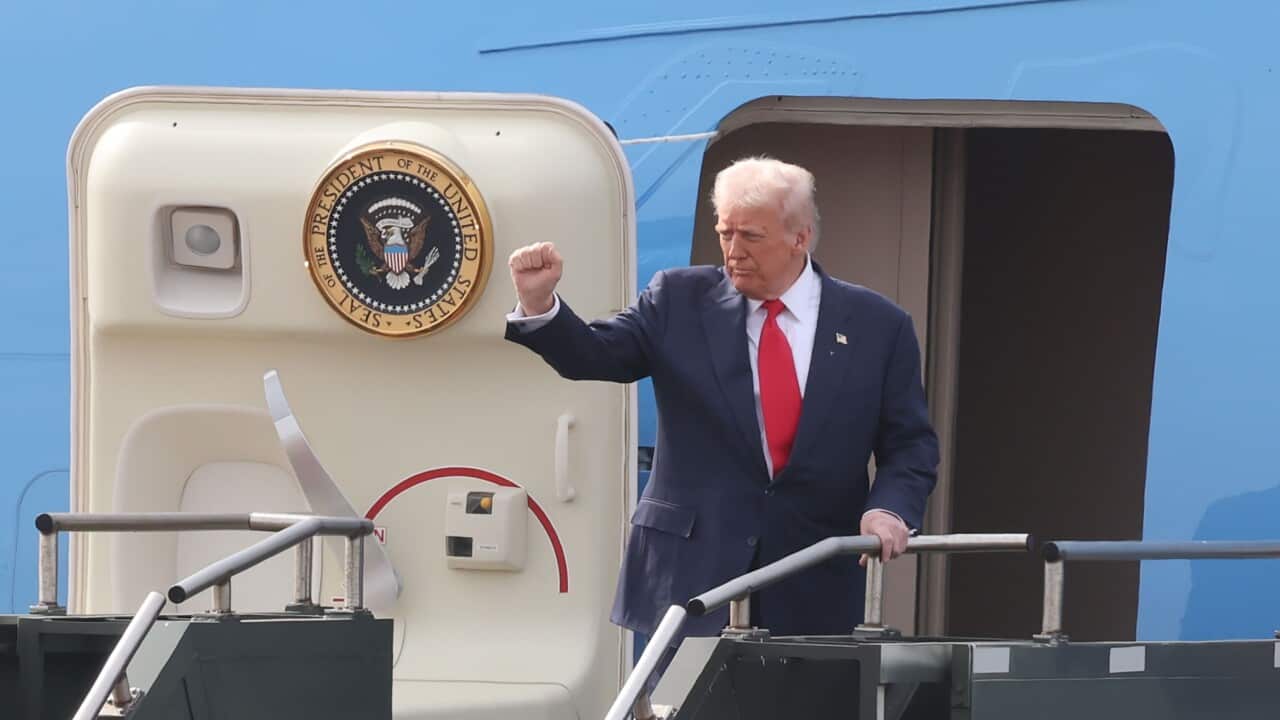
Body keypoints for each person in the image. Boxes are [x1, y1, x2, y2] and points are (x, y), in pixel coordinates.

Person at [505, 156, 938, 644]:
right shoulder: (677, 299)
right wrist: (539, 305)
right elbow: (594, 355)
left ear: (800, 237)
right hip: (692, 583)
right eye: (725, 233)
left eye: (750, 236)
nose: (733, 251)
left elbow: (910, 445)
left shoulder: (878, 326)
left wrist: (890, 510)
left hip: (814, 585)